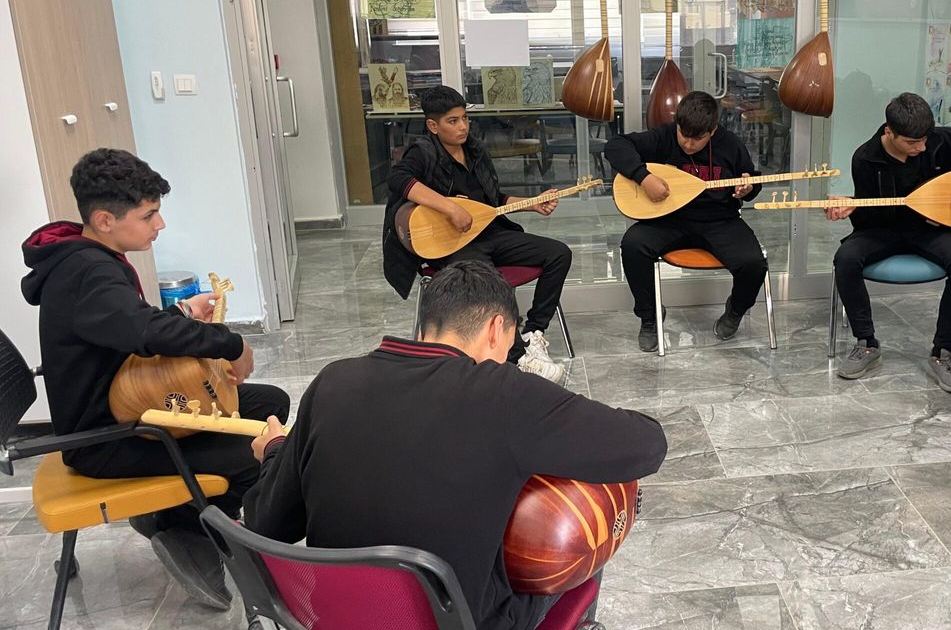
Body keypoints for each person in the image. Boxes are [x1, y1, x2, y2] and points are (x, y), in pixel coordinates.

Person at [244, 261, 667, 630]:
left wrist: (277, 450)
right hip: (465, 623)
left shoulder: (332, 382)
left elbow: (268, 523)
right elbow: (646, 446)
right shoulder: (504, 393)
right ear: (496, 329)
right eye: (509, 346)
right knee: (588, 529)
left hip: (338, 619)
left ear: (423, 327)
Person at [19, 148, 290, 610]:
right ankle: (187, 531)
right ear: (105, 220)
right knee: (254, 454)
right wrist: (229, 343)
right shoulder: (88, 272)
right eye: (148, 216)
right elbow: (142, 330)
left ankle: (172, 512)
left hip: (132, 410)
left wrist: (181, 313)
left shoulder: (84, 258)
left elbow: (122, 328)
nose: (159, 225)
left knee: (268, 404)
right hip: (107, 438)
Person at [382, 85, 571, 384]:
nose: (463, 127)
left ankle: (533, 332)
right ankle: (518, 357)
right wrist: (449, 208)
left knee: (558, 254)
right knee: (487, 279)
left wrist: (531, 204)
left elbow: (492, 201)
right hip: (450, 243)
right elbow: (399, 179)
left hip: (488, 232)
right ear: (433, 125)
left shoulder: (474, 150)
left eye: (464, 119)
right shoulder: (424, 152)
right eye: (453, 121)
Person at [826, 92, 951, 393]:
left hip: (934, 231)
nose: (922, 147)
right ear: (889, 132)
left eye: (924, 139)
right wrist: (854, 207)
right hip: (884, 230)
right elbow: (867, 222)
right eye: (913, 142)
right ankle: (866, 342)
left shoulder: (942, 141)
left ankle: (944, 352)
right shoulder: (865, 157)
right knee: (846, 258)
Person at [604, 91, 763, 352]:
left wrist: (748, 188)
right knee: (633, 245)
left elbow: (752, 182)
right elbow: (615, 146)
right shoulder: (664, 137)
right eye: (683, 134)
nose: (688, 144)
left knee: (753, 263)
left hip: (720, 221)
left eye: (697, 138)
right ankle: (650, 316)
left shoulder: (731, 144)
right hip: (669, 220)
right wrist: (644, 177)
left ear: (712, 131)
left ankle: (735, 311)